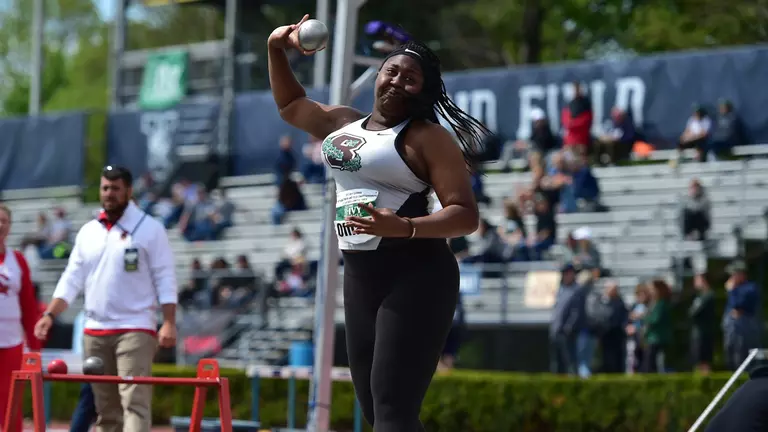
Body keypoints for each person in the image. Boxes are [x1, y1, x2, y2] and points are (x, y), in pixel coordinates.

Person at [268, 15, 485, 431]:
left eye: (411, 77)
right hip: (362, 276)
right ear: (378, 76)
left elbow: (466, 214)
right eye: (392, 71)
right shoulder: (343, 123)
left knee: (392, 411)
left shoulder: (427, 137)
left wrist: (404, 227)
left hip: (418, 274)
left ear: (423, 89)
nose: (398, 81)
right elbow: (291, 106)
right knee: (374, 409)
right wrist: (276, 50)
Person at [34, 166, 178, 432]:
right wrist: (49, 314)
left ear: (129, 191)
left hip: (135, 329)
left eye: (115, 188)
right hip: (95, 331)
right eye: (105, 188)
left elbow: (166, 278)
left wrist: (169, 322)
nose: (109, 194)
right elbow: (71, 278)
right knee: (105, 410)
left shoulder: (150, 229)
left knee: (134, 403)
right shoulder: (89, 231)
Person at [0, 204, 43, 432]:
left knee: (10, 402)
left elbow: (28, 306)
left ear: (9, 226)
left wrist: (35, 347)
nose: (0, 225)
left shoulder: (17, 261)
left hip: (11, 342)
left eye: (4, 221)